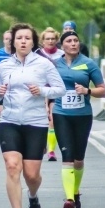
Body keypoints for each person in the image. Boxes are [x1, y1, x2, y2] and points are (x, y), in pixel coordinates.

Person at [0, 23, 66, 208]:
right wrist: (0, 94)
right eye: (19, 38)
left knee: (31, 175)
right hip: (9, 121)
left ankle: (32, 195)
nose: (23, 41)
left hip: (35, 123)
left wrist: (41, 90)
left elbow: (60, 89)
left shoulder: (44, 64)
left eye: (27, 38)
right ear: (13, 41)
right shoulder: (4, 66)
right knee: (12, 166)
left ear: (33, 42)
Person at [52, 30, 105, 208]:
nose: (73, 43)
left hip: (82, 115)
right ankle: (68, 199)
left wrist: (87, 91)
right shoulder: (55, 64)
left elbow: (103, 91)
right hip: (61, 114)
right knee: (66, 156)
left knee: (78, 158)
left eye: (76, 40)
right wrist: (47, 107)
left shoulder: (88, 63)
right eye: (69, 41)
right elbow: (47, 88)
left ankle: (75, 193)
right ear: (62, 46)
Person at [40, 27, 64, 162]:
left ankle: (51, 151)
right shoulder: (37, 54)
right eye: (47, 39)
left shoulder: (62, 54)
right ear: (42, 41)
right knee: (41, 119)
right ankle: (41, 143)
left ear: (56, 40)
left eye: (53, 39)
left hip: (56, 91)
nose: (50, 41)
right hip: (41, 91)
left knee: (52, 121)